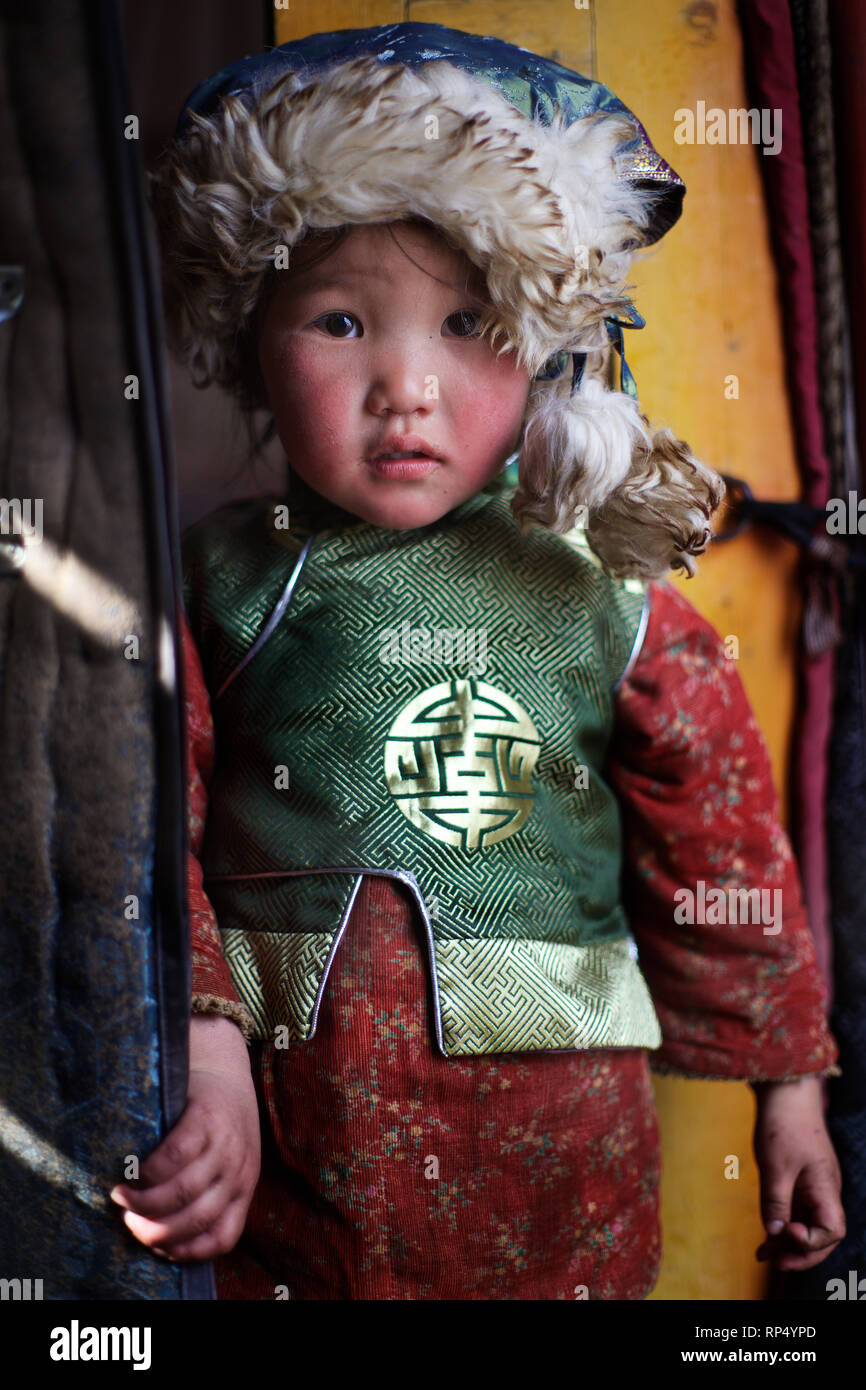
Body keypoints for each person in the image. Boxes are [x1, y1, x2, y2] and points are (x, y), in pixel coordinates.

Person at [109, 22, 844, 1299]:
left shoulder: (604, 586)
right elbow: (140, 835)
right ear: (248, 342)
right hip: (284, 1147)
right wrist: (208, 1046)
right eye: (339, 321)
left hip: (563, 1175)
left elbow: (719, 847)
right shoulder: (216, 582)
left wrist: (788, 1098)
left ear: (552, 350)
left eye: (465, 323)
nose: (404, 383)